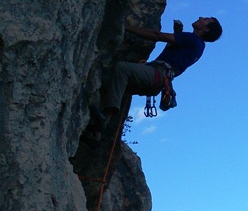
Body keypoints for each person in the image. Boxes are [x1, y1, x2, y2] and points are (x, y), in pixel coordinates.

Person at [91, 16, 222, 139]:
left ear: (206, 29)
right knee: (111, 83)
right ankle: (96, 133)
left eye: (205, 19)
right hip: (157, 82)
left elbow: (157, 35)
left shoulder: (193, 39)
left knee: (121, 68)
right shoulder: (197, 46)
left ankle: (105, 118)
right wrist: (177, 32)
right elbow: (170, 52)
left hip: (155, 75)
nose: (200, 18)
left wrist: (126, 26)